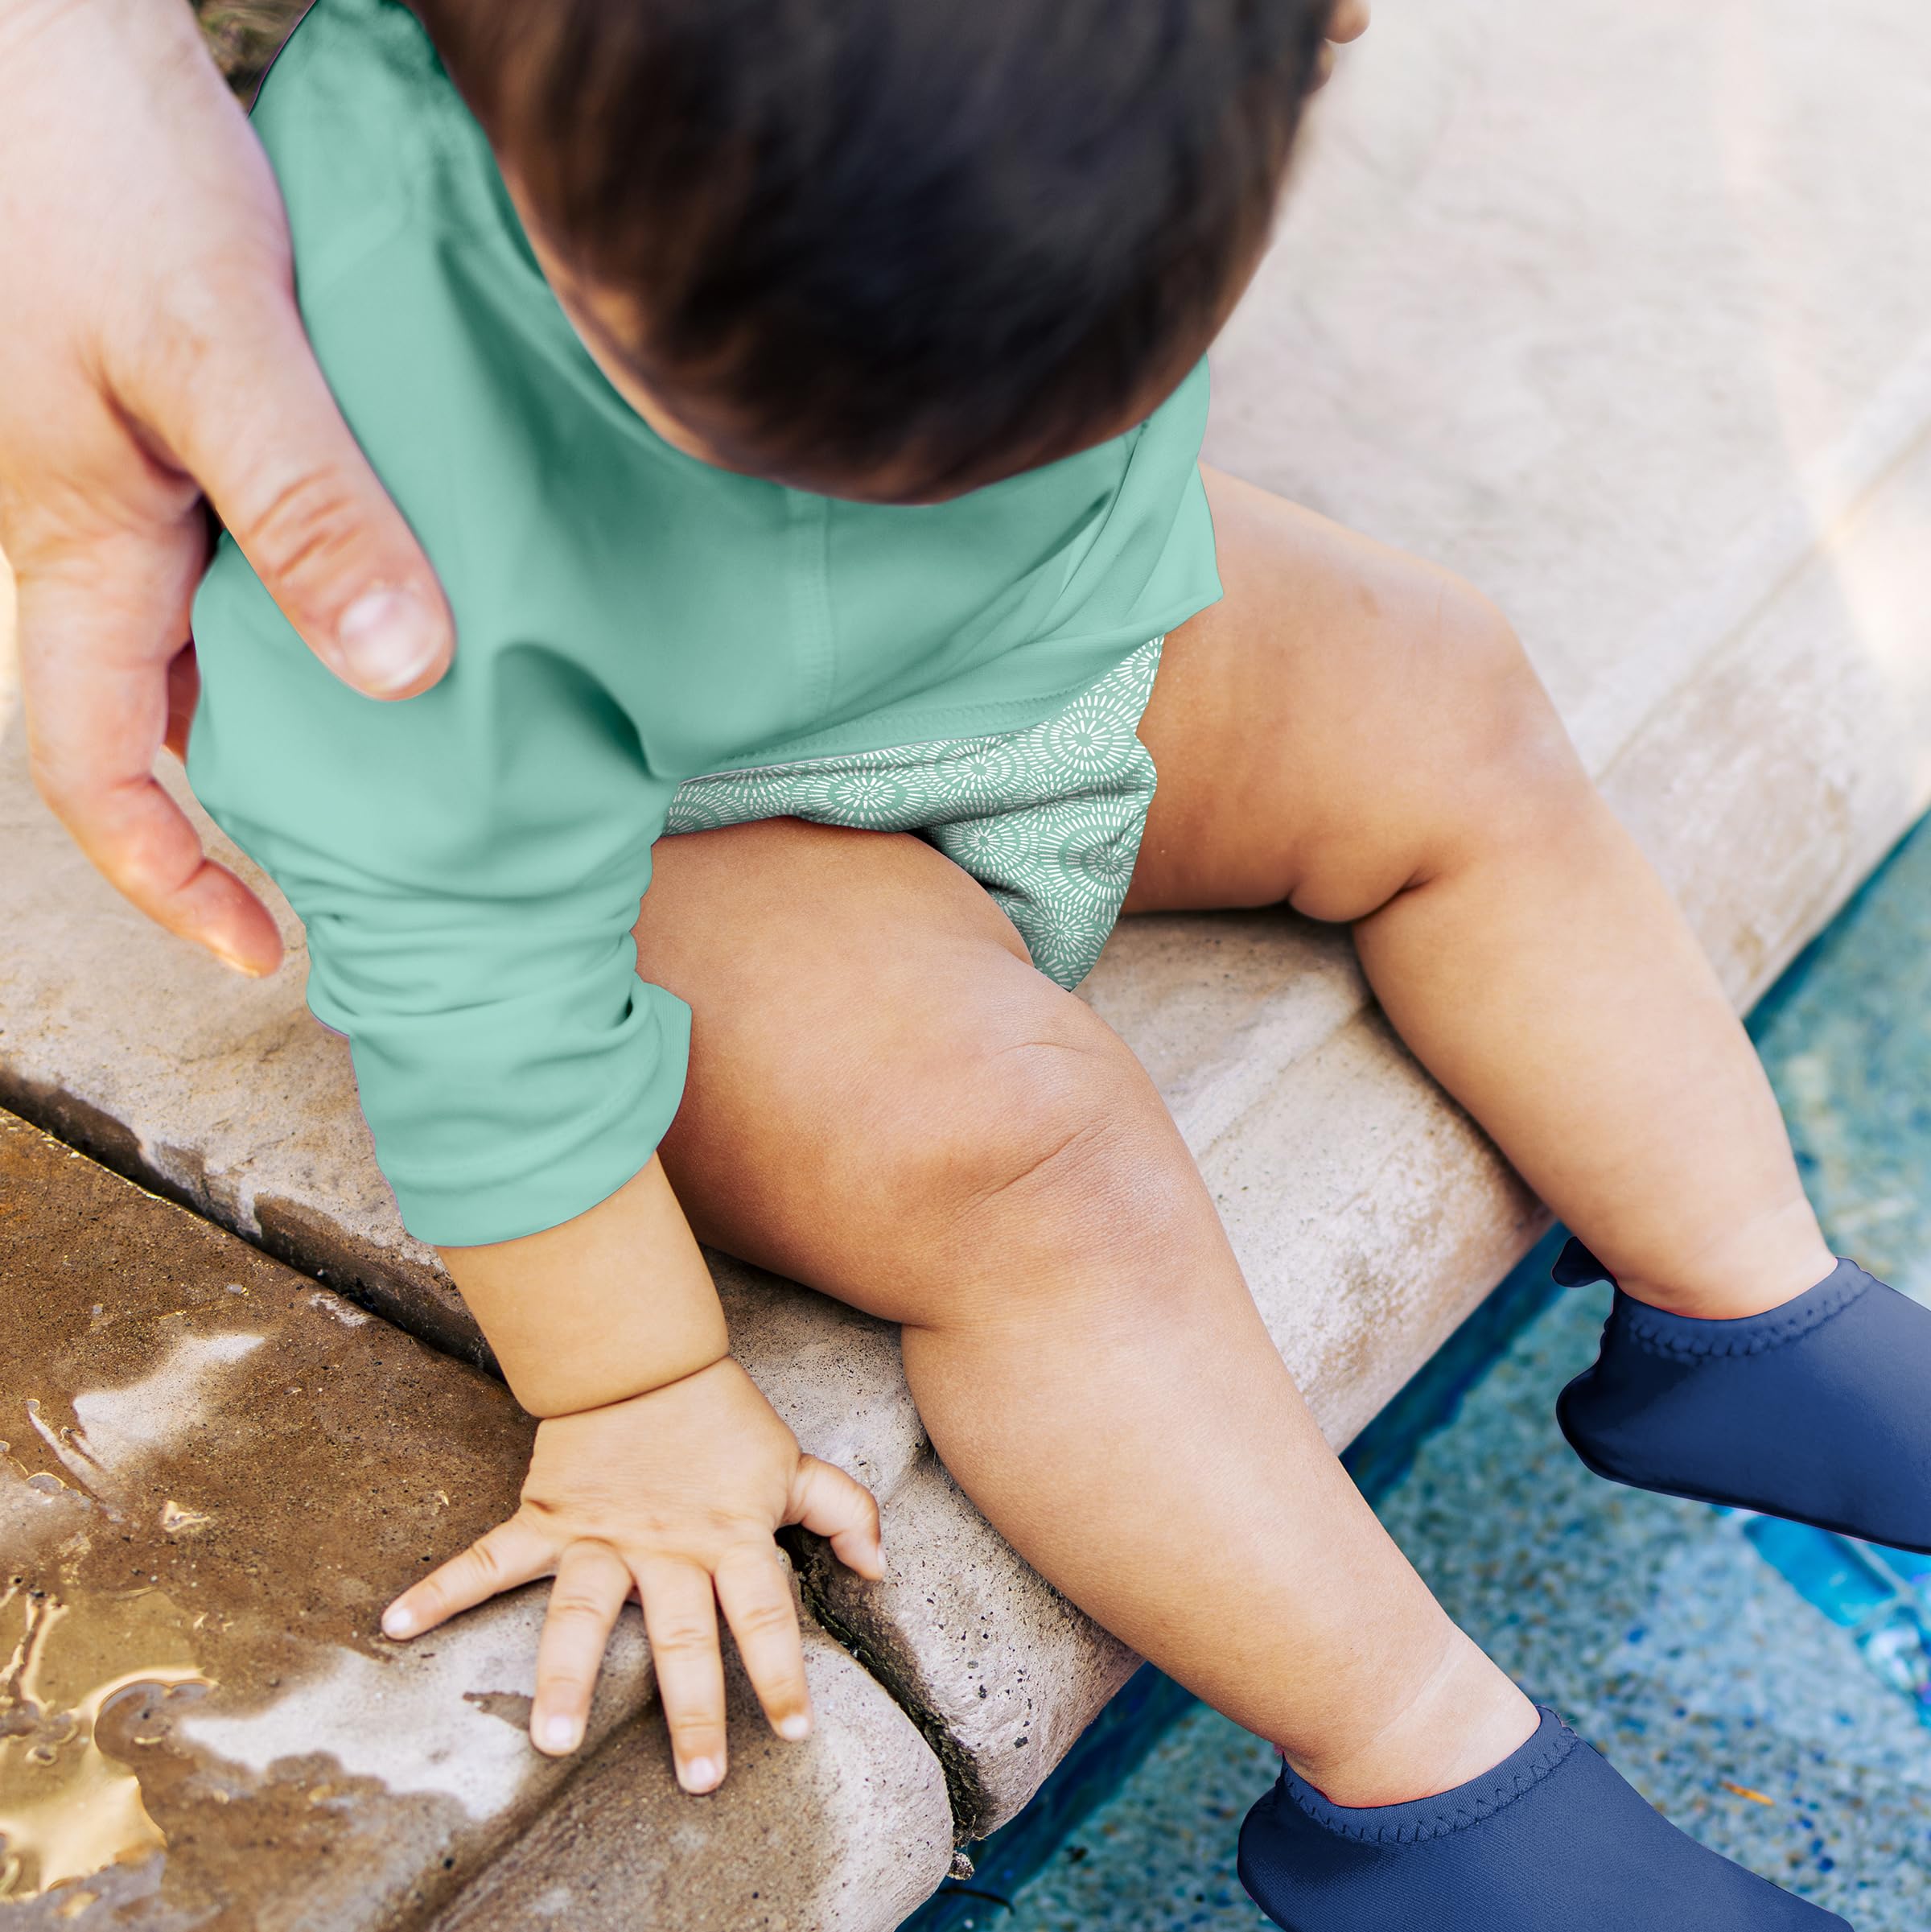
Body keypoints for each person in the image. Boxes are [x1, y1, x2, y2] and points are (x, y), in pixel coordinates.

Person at [2, 1, 1905, 1925]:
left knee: (1443, 691)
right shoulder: (385, 389)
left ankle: (1749, 1309)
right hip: (656, 813)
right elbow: (470, 986)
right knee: (1016, 1154)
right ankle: (1429, 1783)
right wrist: (633, 1385)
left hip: (1036, 625)